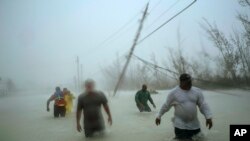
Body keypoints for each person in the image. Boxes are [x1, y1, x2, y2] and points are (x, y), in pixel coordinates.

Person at [155, 73, 213, 140]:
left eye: (190, 82)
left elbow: (203, 105)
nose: (190, 84)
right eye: (188, 82)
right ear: (181, 82)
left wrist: (208, 117)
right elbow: (166, 105)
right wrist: (159, 116)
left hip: (194, 125)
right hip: (180, 125)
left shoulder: (197, 91)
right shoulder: (173, 93)